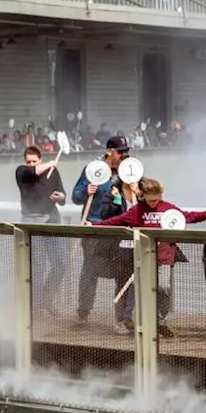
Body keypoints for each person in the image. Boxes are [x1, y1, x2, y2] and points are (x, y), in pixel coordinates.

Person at [93, 177, 206, 338]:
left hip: (165, 255)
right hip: (144, 256)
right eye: (150, 199)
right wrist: (95, 225)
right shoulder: (137, 211)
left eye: (156, 199)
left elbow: (186, 216)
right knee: (145, 291)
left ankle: (161, 321)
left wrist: (205, 215)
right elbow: (116, 221)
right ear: (143, 195)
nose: (153, 203)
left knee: (164, 288)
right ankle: (145, 323)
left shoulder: (168, 209)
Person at [72, 135, 135, 333]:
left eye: (126, 152)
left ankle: (122, 317)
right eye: (121, 152)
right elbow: (75, 196)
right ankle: (84, 312)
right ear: (109, 151)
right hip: (94, 227)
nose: (124, 155)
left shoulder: (129, 171)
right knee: (90, 270)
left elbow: (142, 194)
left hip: (119, 231)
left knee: (124, 271)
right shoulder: (93, 169)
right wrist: (86, 191)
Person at [14, 146, 67, 313]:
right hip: (32, 223)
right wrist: (50, 163)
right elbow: (31, 173)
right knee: (37, 266)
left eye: (34, 161)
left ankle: (47, 297)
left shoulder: (53, 171)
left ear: (40, 159)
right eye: (28, 161)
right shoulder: (22, 172)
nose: (30, 164)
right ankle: (35, 307)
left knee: (60, 263)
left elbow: (63, 196)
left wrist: (61, 197)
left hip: (52, 221)